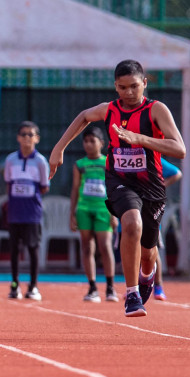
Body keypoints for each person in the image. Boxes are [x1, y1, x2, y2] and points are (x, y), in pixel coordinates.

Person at [49, 59, 186, 318]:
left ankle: (147, 275)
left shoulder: (156, 110)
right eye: (122, 88)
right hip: (119, 180)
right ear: (115, 87)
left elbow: (180, 149)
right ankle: (132, 294)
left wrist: (140, 139)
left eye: (134, 87)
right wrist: (59, 148)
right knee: (131, 223)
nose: (129, 93)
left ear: (144, 83)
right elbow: (83, 117)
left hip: (152, 186)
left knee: (148, 253)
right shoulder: (109, 110)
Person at [2, 121, 51, 301]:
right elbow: (9, 183)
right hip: (14, 212)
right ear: (17, 137)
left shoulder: (40, 161)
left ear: (36, 138)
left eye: (30, 135)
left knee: (33, 248)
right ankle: (14, 284)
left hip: (32, 213)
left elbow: (44, 187)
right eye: (23, 134)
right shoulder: (10, 160)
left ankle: (33, 285)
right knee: (14, 249)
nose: (26, 138)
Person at [71, 128, 118, 302]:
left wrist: (115, 213)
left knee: (105, 246)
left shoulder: (108, 163)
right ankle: (92, 287)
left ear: (101, 143)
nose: (89, 144)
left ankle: (111, 287)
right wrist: (72, 213)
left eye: (93, 140)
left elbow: (114, 189)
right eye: (86, 141)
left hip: (103, 209)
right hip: (84, 209)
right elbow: (75, 189)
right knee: (86, 247)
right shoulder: (79, 164)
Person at [148, 157, 184, 301]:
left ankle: (158, 285)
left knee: (153, 249)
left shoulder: (154, 157)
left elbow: (177, 173)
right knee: (134, 249)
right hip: (133, 206)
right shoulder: (127, 155)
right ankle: (135, 288)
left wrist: (160, 185)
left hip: (151, 207)